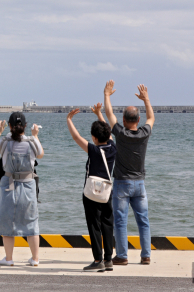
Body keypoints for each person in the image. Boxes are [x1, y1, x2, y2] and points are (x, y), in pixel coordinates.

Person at [103, 80, 155, 265]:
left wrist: (107, 95)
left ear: (124, 120)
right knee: (143, 221)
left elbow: (109, 114)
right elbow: (151, 118)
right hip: (140, 184)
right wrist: (146, 99)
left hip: (122, 183)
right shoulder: (144, 134)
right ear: (137, 121)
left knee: (121, 221)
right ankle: (146, 255)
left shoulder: (120, 133)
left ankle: (122, 256)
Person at [0, 112, 44, 266]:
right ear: (25, 126)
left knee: (8, 220)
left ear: (10, 126)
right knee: (31, 221)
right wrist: (35, 135)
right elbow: (40, 154)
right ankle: (35, 259)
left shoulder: (5, 141)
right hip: (28, 183)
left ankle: (9, 258)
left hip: (9, 184)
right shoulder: (32, 141)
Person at [66, 104, 116, 272]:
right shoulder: (113, 148)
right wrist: (99, 114)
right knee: (108, 223)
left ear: (94, 138)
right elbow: (107, 132)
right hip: (108, 192)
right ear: (108, 135)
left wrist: (69, 120)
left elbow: (76, 137)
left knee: (94, 225)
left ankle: (97, 260)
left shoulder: (93, 150)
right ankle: (109, 259)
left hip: (91, 193)